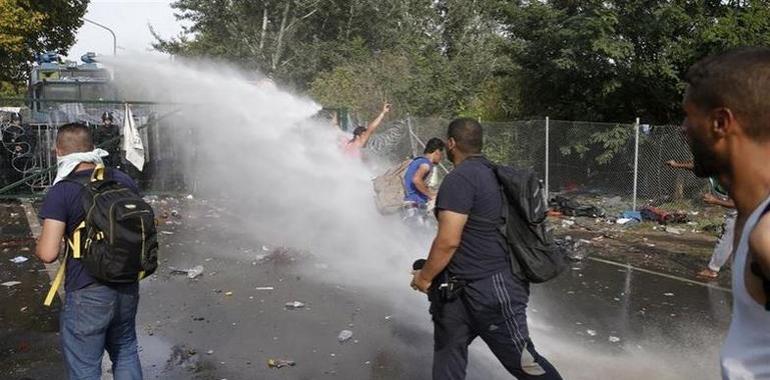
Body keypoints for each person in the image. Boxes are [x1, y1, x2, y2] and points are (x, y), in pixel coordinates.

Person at [410, 118, 562, 380]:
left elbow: (448, 241)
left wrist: (424, 278)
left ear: (451, 143)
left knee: (525, 363)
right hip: (458, 292)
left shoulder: (460, 179)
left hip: (491, 290)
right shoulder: (491, 173)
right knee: (448, 354)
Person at [681, 47, 770, 379]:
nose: (683, 128)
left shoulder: (768, 232)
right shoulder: (753, 215)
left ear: (720, 122)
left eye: (688, 115)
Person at [35, 123, 143, 379]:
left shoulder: (63, 191)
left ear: (57, 152)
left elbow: (48, 253)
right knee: (125, 351)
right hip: (127, 283)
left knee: (85, 367)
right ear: (92, 148)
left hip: (87, 290)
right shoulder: (122, 179)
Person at [666, 160, 736, 278]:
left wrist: (715, 201)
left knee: (726, 240)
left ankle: (712, 270)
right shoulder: (713, 172)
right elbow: (695, 166)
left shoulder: (733, 179)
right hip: (737, 213)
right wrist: (677, 165)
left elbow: (736, 203)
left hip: (743, 212)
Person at [403, 138, 445, 226]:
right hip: (415, 205)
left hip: (409, 204)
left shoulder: (418, 160)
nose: (441, 158)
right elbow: (416, 180)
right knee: (419, 234)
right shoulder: (426, 164)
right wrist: (431, 195)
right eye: (441, 154)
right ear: (437, 152)